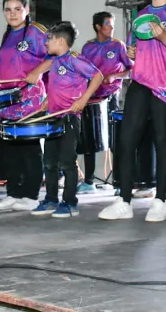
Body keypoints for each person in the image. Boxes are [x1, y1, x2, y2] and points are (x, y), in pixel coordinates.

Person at [99, 0, 166, 222]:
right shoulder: (141, 15)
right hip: (141, 82)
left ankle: (160, 201)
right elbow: (134, 51)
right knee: (126, 140)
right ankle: (124, 201)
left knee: (162, 142)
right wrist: (132, 53)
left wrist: (163, 37)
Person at [31, 22, 103, 217]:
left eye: (49, 39)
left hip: (69, 117)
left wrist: (83, 99)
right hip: (53, 118)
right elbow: (58, 85)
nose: (46, 43)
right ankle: (51, 200)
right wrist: (48, 100)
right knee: (49, 162)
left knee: (67, 162)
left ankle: (70, 203)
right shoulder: (55, 61)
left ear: (60, 41)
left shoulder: (74, 59)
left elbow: (98, 76)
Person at [0, 0, 48, 212]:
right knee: (11, 150)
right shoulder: (7, 35)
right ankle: (13, 193)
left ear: (26, 10)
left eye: (17, 9)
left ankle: (31, 195)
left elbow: (55, 55)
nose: (12, 14)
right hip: (8, 101)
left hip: (30, 99)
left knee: (29, 148)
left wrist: (37, 71)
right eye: (8, 10)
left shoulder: (36, 32)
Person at [78, 12, 133, 192]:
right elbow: (83, 72)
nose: (112, 27)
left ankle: (119, 182)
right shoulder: (88, 48)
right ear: (98, 27)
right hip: (92, 98)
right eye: (108, 24)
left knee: (115, 139)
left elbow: (131, 70)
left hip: (111, 97)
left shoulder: (118, 45)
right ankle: (89, 182)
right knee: (90, 139)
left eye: (112, 24)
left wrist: (115, 76)